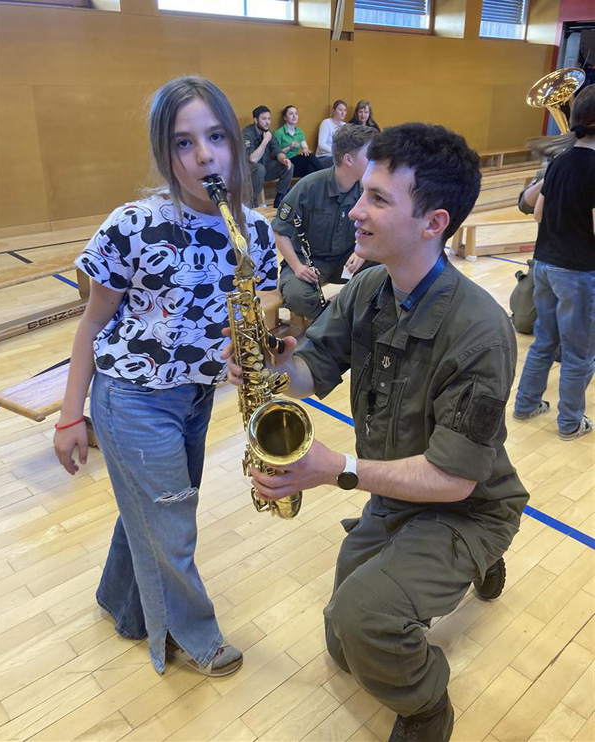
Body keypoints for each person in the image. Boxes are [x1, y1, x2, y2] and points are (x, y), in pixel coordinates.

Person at [224, 122, 528, 742]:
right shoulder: (368, 286)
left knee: (366, 621)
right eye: (362, 191)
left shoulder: (480, 331)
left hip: (468, 507)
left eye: (379, 199)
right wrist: (271, 370)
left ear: (433, 222)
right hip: (394, 497)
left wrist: (335, 469)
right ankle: (444, 575)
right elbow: (313, 367)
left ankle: (428, 707)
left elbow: (451, 481)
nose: (355, 210)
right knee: (345, 647)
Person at [53, 75, 278, 677]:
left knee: (153, 511)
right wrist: (70, 416)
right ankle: (195, 636)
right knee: (173, 524)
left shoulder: (254, 230)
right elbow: (91, 323)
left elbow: (260, 308)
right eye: (184, 142)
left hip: (197, 398)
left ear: (235, 142)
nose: (204, 155)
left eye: (215, 137)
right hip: (130, 398)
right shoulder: (132, 224)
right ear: (165, 152)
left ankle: (121, 603)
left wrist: (261, 348)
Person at [513, 84, 595, 441]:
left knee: (544, 342)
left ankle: (525, 405)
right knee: (579, 354)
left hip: (545, 264)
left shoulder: (559, 162)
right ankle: (570, 423)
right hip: (578, 271)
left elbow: (537, 214)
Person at [273, 124, 377, 320]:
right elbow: (280, 231)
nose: (375, 160)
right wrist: (297, 267)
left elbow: (373, 227)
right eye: (369, 155)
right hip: (309, 261)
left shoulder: (366, 188)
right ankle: (334, 321)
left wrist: (360, 252)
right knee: (296, 296)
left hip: (346, 258)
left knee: (388, 265)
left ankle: (354, 312)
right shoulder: (309, 186)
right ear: (348, 160)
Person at [242, 105, 293, 208]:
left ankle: (280, 199)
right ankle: (251, 203)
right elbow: (253, 159)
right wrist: (265, 141)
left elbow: (277, 151)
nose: (267, 122)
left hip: (265, 168)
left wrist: (284, 159)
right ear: (255, 120)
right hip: (248, 171)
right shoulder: (247, 134)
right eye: (264, 119)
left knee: (289, 165)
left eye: (269, 119)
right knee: (259, 168)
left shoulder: (269, 133)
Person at [274, 105, 324, 178]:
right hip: (285, 164)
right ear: (285, 117)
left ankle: (322, 181)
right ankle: (326, 176)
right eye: (291, 114)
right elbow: (275, 154)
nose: (294, 116)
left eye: (296, 113)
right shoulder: (279, 133)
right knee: (309, 156)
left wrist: (305, 149)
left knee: (310, 168)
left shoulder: (299, 131)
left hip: (297, 164)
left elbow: (305, 147)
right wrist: (289, 147)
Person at [316, 99, 348, 166]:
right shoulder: (326, 123)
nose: (343, 112)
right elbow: (321, 144)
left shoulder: (344, 125)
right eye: (340, 110)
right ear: (333, 111)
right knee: (341, 163)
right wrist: (336, 152)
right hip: (324, 156)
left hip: (338, 157)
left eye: (345, 110)